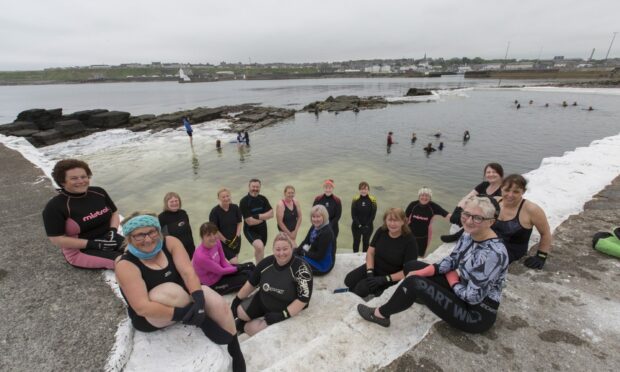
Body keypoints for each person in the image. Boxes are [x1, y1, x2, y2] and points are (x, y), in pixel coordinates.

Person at [358, 196, 508, 334]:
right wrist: (422, 272)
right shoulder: (470, 233)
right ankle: (423, 296)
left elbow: (472, 297)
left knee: (413, 282)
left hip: (475, 313)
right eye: (466, 214)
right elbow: (452, 260)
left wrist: (452, 279)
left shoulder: (492, 254)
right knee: (412, 266)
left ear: (491, 222)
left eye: (477, 218)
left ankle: (380, 315)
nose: (468, 221)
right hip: (462, 290)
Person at [114, 213, 245, 371]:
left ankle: (235, 349)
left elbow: (188, 272)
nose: (148, 239)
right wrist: (188, 313)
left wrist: (199, 301)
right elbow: (142, 307)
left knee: (217, 302)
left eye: (152, 232)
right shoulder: (125, 264)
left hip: (183, 298)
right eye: (139, 235)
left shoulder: (170, 243)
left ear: (158, 230)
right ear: (129, 237)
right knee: (166, 291)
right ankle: (201, 320)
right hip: (152, 316)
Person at [42, 159, 124, 269]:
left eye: (84, 176)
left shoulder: (98, 192)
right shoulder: (55, 206)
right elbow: (56, 239)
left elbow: (114, 213)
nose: (81, 181)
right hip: (80, 251)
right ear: (62, 182)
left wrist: (113, 230)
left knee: (148, 250)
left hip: (108, 239)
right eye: (74, 178)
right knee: (126, 263)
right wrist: (92, 244)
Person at [231, 233, 313, 336]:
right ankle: (242, 321)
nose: (281, 253)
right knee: (239, 312)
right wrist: (237, 299)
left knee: (249, 328)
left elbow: (303, 299)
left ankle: (243, 327)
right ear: (273, 250)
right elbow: (251, 283)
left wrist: (282, 315)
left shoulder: (301, 269)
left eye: (285, 249)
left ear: (292, 248)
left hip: (283, 307)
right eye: (278, 249)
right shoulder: (266, 263)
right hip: (263, 298)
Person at [344, 208, 418, 299]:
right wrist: (370, 272)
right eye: (389, 220)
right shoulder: (382, 231)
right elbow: (370, 252)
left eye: (396, 220)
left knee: (361, 289)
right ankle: (355, 289)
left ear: (403, 221)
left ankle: (368, 292)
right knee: (349, 280)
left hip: (391, 276)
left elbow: (409, 271)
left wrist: (385, 279)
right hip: (375, 267)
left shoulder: (410, 241)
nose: (392, 224)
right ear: (385, 221)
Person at [493, 174, 552, 268]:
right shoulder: (494, 202)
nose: (510, 195)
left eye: (516, 192)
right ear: (501, 188)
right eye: (507, 190)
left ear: (523, 191)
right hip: (488, 245)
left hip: (510, 251)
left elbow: (546, 233)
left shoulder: (532, 210)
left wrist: (541, 256)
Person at [442, 162, 504, 243]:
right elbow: (468, 197)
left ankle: (458, 236)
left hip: (489, 217)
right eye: (488, 172)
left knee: (476, 218)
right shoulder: (484, 185)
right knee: (461, 216)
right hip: (476, 213)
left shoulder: (503, 189)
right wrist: (457, 210)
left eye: (494, 172)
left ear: (500, 174)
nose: (491, 174)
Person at [192, 222, 255, 295]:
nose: (213, 237)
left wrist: (236, 270)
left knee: (251, 267)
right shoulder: (201, 256)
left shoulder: (217, 242)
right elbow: (220, 271)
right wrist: (237, 269)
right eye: (208, 235)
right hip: (213, 284)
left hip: (221, 273)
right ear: (202, 238)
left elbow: (223, 261)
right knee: (249, 278)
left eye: (214, 233)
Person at [405, 187, 451, 257]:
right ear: (419, 196)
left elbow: (446, 214)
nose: (424, 197)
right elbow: (405, 218)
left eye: (427, 195)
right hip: (410, 234)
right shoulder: (413, 205)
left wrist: (459, 219)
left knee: (420, 255)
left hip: (424, 237)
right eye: (422, 195)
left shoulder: (433, 207)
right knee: (407, 253)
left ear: (430, 197)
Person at [296, 205, 336, 275]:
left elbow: (319, 256)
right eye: (313, 217)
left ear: (324, 217)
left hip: (323, 265)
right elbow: (306, 241)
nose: (315, 219)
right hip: (315, 256)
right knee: (292, 255)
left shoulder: (327, 232)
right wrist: (296, 251)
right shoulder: (314, 226)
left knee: (295, 264)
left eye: (318, 217)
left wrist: (304, 253)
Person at [239, 179, 273, 263]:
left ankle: (259, 265)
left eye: (257, 187)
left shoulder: (263, 199)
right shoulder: (244, 201)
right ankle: (259, 268)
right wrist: (264, 218)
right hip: (250, 230)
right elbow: (249, 221)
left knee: (261, 248)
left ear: (260, 187)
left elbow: (271, 214)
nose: (255, 188)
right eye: (253, 186)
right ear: (249, 187)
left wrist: (258, 216)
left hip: (263, 229)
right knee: (259, 246)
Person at [209, 188, 243, 264]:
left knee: (236, 257)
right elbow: (214, 230)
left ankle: (234, 274)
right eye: (223, 197)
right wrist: (225, 241)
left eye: (227, 196)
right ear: (219, 198)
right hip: (222, 241)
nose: (226, 198)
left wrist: (237, 237)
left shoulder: (235, 207)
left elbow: (239, 222)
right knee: (234, 261)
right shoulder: (214, 212)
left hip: (235, 239)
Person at [158, 192, 195, 259]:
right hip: (175, 252)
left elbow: (189, 232)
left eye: (176, 201)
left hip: (190, 248)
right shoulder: (161, 217)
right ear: (166, 203)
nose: (174, 203)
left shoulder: (183, 213)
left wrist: (193, 248)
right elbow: (159, 237)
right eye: (171, 202)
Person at [351, 181, 377, 253]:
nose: (363, 191)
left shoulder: (373, 200)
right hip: (356, 226)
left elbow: (373, 215)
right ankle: (355, 257)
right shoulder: (355, 199)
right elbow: (353, 215)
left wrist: (366, 225)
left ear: (368, 190)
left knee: (366, 243)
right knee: (356, 242)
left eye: (365, 189)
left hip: (368, 226)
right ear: (359, 190)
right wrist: (359, 225)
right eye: (362, 189)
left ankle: (365, 259)